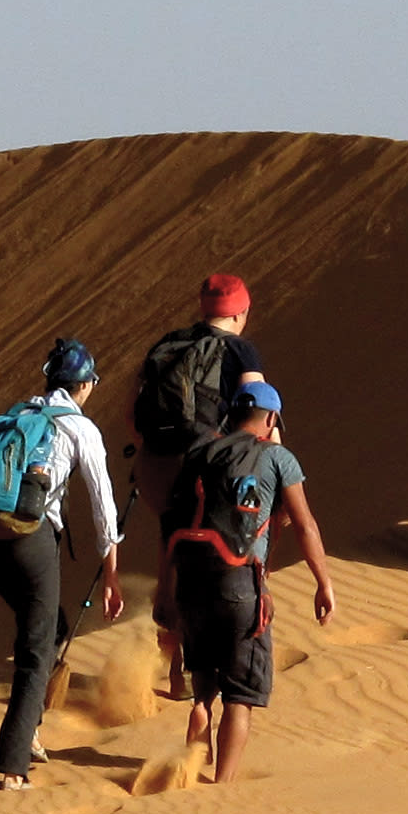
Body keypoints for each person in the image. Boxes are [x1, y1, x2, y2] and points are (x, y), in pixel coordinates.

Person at [0, 335, 120, 790]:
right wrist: (111, 574)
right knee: (36, 647)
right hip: (31, 545)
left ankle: (27, 730)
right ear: (83, 385)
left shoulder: (15, 416)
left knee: (52, 628)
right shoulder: (79, 428)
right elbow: (104, 509)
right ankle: (14, 763)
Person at [162, 377, 337, 785]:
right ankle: (222, 788)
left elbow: (171, 521)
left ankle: (198, 721)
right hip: (239, 584)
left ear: (232, 415)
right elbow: (304, 524)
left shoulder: (200, 452)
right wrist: (322, 582)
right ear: (271, 418)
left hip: (191, 580)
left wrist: (166, 589)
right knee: (241, 695)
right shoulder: (278, 458)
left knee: (204, 683)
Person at [127, 275, 270, 700]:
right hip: (205, 469)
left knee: (173, 553)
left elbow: (132, 413)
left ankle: (173, 665)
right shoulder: (241, 350)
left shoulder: (167, 344)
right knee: (211, 560)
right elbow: (258, 417)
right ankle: (197, 670)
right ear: (241, 313)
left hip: (154, 463)